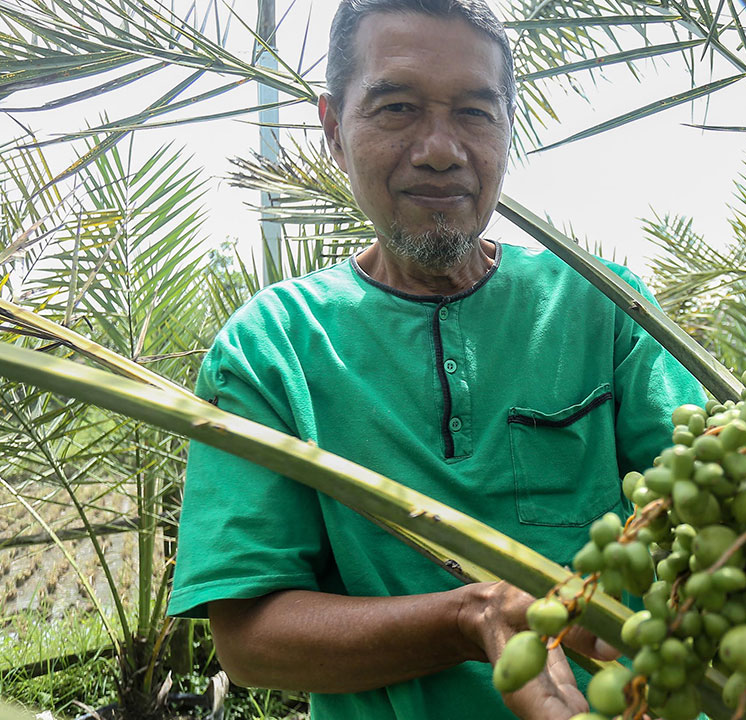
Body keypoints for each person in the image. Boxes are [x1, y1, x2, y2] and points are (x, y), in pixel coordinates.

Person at [166, 1, 705, 718]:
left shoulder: (604, 307)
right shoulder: (276, 349)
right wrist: (465, 618)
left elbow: (711, 494)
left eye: (476, 114)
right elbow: (252, 640)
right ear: (333, 128)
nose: (441, 149)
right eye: (397, 108)